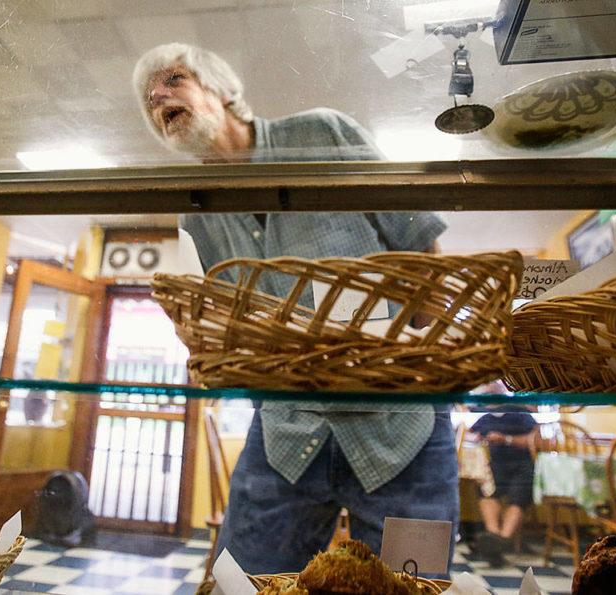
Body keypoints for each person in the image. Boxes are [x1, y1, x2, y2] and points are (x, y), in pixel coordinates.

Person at [133, 43, 458, 574]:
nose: (156, 96)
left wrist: (434, 367)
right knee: (241, 582)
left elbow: (419, 243)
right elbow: (227, 325)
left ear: (221, 89)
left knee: (415, 588)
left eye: (173, 78)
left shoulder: (322, 133)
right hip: (286, 432)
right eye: (148, 98)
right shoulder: (198, 213)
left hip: (402, 427)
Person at [467, 404, 537, 567]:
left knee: (518, 498)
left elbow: (536, 440)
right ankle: (494, 537)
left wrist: (506, 439)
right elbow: (470, 435)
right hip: (495, 465)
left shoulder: (521, 415)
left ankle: (500, 541)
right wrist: (480, 439)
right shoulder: (485, 419)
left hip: (522, 464)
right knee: (486, 490)